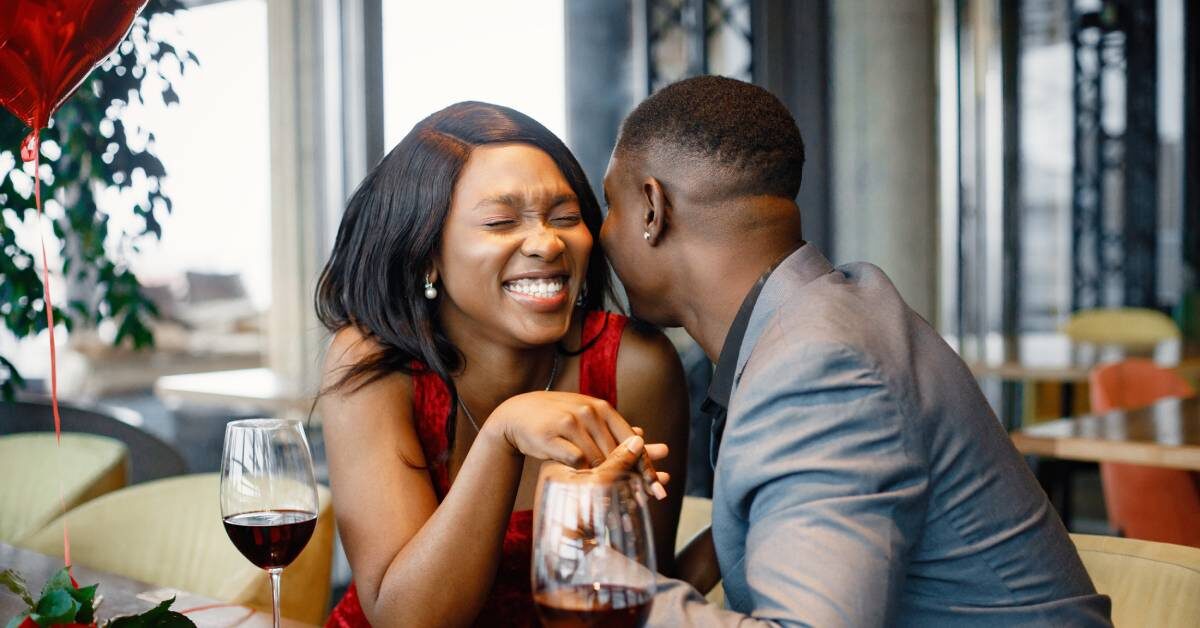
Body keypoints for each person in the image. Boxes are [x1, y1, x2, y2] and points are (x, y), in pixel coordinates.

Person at [598, 76, 1112, 626]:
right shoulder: (825, 315)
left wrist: (590, 576)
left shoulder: (818, 367)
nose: (601, 234)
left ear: (653, 209)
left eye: (610, 206)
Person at [315, 101, 689, 627]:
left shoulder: (635, 365)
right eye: (499, 221)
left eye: (565, 217)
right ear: (425, 252)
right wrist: (502, 435)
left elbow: (641, 592)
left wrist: (736, 532)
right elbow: (404, 620)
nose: (547, 242)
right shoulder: (374, 362)